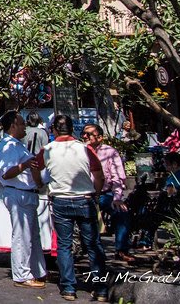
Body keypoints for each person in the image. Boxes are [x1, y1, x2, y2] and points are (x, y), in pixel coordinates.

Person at [42, 114, 108, 302]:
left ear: (54, 130)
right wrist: (96, 194)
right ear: (72, 130)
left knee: (64, 245)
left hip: (60, 200)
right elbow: (99, 175)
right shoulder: (85, 148)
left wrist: (41, 183)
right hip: (85, 199)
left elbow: (36, 169)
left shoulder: (47, 149)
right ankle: (101, 289)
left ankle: (68, 288)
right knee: (93, 244)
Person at [0, 110, 47, 290]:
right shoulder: (9, 146)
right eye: (22, 123)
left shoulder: (18, 145)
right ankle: (22, 274)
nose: (25, 126)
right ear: (13, 126)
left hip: (27, 193)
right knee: (22, 236)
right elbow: (6, 173)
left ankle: (37, 270)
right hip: (18, 193)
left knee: (32, 236)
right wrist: (24, 165)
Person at [83, 123, 133, 262]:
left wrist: (117, 197)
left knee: (122, 213)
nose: (85, 136)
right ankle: (90, 250)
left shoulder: (109, 152)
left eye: (89, 134)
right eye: (84, 134)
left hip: (104, 193)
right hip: (84, 194)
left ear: (99, 137)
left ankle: (121, 249)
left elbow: (118, 176)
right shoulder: (79, 151)